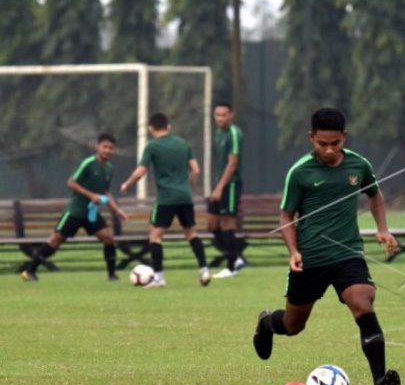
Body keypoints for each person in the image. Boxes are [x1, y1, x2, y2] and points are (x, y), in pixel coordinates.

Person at [252, 107, 402, 385]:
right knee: (293, 325)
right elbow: (286, 215)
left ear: (344, 137)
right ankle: (267, 323)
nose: (330, 150)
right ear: (311, 138)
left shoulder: (359, 165)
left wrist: (383, 229)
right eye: (323, 144)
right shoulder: (300, 172)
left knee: (362, 302)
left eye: (336, 143)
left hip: (348, 254)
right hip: (310, 260)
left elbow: (375, 195)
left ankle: (380, 382)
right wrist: (293, 250)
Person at [21, 133, 128, 282]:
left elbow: (105, 191)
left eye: (111, 148)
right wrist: (90, 195)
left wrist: (117, 210)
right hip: (76, 210)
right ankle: (29, 271)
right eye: (105, 147)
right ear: (98, 147)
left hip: (91, 213)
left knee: (108, 237)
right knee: (55, 240)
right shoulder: (88, 163)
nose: (107, 150)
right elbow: (71, 182)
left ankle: (112, 275)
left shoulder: (109, 168)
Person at [120, 113, 211, 288]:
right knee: (192, 234)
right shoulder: (183, 144)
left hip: (165, 199)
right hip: (185, 197)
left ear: (150, 128)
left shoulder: (152, 146)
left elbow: (140, 172)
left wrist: (127, 184)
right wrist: (189, 187)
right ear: (168, 127)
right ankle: (204, 270)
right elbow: (196, 170)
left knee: (155, 237)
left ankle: (159, 278)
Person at [207, 102, 246, 278]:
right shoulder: (217, 134)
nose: (220, 118)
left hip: (230, 185)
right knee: (211, 224)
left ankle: (231, 268)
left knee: (227, 222)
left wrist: (220, 188)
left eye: (224, 115)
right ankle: (235, 257)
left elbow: (232, 163)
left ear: (231, 115)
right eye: (217, 115)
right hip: (220, 185)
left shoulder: (234, 133)